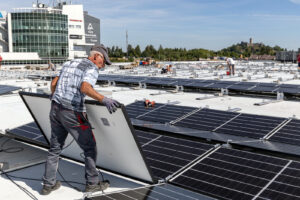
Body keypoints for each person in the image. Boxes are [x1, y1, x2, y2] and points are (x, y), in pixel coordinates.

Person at [41, 44, 120, 195]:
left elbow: (53, 83)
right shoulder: (91, 68)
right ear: (96, 56)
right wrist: (104, 100)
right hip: (73, 113)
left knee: (54, 148)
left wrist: (55, 95)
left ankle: (48, 184)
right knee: (90, 147)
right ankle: (92, 183)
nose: (102, 66)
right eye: (103, 62)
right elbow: (85, 88)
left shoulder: (69, 62)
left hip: (55, 109)